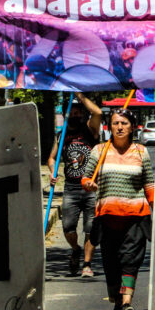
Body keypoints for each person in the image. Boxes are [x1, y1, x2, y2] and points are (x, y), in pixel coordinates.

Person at [81, 107, 154, 310]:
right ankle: (116, 298)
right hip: (107, 218)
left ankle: (126, 303)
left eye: (124, 123)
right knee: (112, 264)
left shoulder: (141, 152)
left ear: (132, 127)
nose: (119, 127)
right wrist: (89, 184)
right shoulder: (99, 150)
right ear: (109, 126)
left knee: (130, 262)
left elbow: (148, 183)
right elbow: (85, 178)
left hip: (136, 216)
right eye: (115, 123)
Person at [47, 92, 102, 276]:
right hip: (70, 188)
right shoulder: (61, 135)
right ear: (66, 113)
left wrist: (79, 95)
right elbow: (52, 158)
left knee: (90, 228)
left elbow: (98, 113)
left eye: (80, 112)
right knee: (68, 227)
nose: (77, 115)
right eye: (73, 111)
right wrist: (52, 172)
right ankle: (76, 249)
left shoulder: (89, 130)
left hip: (91, 187)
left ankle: (87, 264)